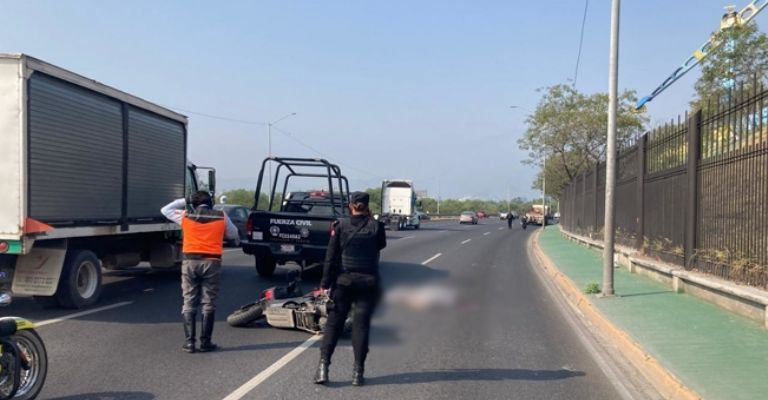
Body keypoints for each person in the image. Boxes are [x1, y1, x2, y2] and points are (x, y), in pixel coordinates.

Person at [314, 191, 386, 386]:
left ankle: (323, 368)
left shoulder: (340, 226)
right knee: (360, 327)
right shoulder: (377, 227)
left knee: (334, 325)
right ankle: (357, 373)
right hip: (368, 283)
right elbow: (380, 246)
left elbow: (330, 257)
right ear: (367, 205)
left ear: (351, 205)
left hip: (344, 282)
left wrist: (324, 284)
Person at [161, 191, 239, 353]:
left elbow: (165, 210)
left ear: (194, 203)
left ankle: (190, 343)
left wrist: (184, 200)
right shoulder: (221, 216)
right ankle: (205, 342)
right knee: (208, 302)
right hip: (212, 262)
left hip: (190, 262)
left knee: (189, 301)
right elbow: (233, 234)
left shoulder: (186, 215)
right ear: (211, 203)